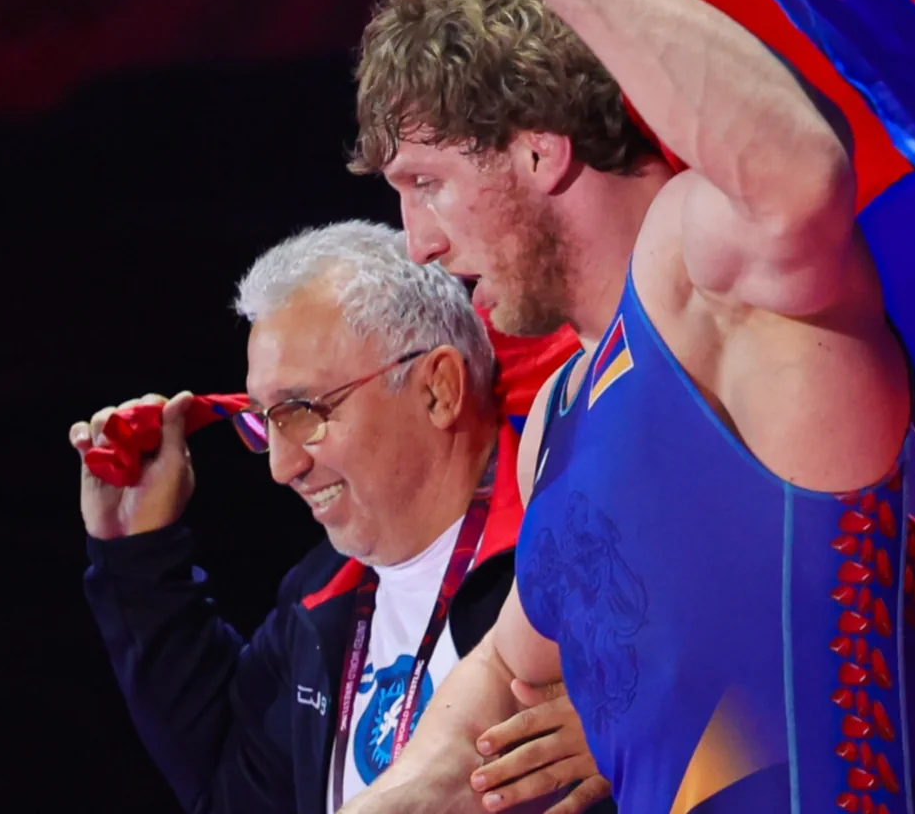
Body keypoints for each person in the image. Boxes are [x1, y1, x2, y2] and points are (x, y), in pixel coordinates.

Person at [339, 0, 915, 814]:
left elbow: (802, 179)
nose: (417, 242)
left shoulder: (699, 278)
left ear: (540, 152)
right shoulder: (561, 414)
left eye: (428, 182)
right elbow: (497, 680)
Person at [75, 220, 612, 814]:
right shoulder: (320, 599)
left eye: (303, 411)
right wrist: (137, 554)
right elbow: (235, 794)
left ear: (438, 389)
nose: (282, 467)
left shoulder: (572, 552)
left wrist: (637, 729)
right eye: (265, 420)